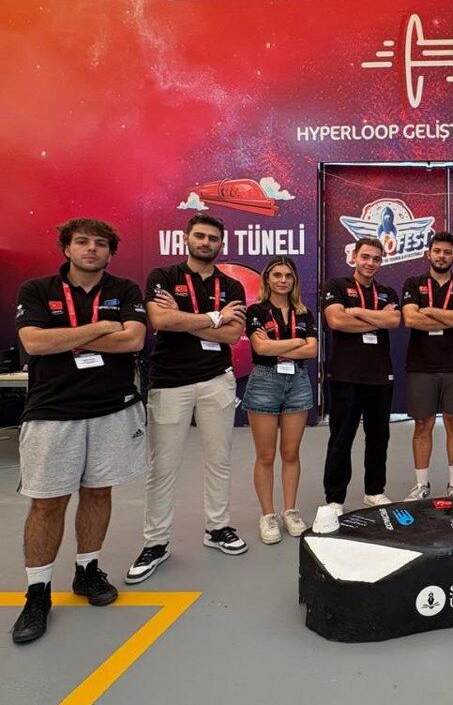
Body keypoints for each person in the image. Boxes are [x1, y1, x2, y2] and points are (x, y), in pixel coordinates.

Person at [11, 219, 147, 643]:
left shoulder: (125, 290)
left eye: (100, 244)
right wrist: (102, 328)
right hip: (53, 411)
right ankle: (38, 592)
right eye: (82, 242)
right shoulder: (37, 290)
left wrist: (66, 338)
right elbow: (35, 343)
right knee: (47, 503)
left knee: (99, 493)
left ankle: (87, 570)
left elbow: (133, 341)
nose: (91, 249)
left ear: (110, 252)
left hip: (112, 409)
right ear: (66, 248)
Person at [125, 214, 247, 585]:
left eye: (213, 238)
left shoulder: (232, 285)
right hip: (169, 383)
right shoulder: (163, 277)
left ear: (221, 244)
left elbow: (232, 335)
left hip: (216, 380)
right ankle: (156, 543)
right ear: (186, 239)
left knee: (219, 460)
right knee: (163, 466)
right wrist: (214, 316)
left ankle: (217, 528)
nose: (206, 242)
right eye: (200, 236)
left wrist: (184, 316)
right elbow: (161, 322)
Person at [314, 237, 401, 533]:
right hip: (346, 375)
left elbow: (394, 321)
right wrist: (376, 319)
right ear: (354, 257)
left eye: (376, 258)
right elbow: (336, 321)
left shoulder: (387, 291)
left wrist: (356, 312)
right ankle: (335, 497)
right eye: (366, 257)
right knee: (341, 438)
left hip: (380, 376)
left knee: (379, 437)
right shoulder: (336, 285)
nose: (370, 263)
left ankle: (374, 490)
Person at [243, 258, 318, 544]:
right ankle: (268, 515)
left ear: (294, 280)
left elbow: (312, 350)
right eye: (277, 275)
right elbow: (260, 347)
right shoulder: (256, 311)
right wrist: (297, 342)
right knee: (265, 456)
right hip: (265, 381)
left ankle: (290, 511)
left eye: (288, 275)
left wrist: (279, 347)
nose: (283, 280)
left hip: (297, 382)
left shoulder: (304, 312)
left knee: (290, 453)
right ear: (267, 279)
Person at [400, 232, 453, 500]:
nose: (442, 256)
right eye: (437, 251)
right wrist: (451, 315)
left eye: (447, 252)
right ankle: (422, 485)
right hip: (421, 365)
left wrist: (429, 311)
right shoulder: (413, 283)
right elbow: (411, 319)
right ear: (428, 254)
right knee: (423, 424)